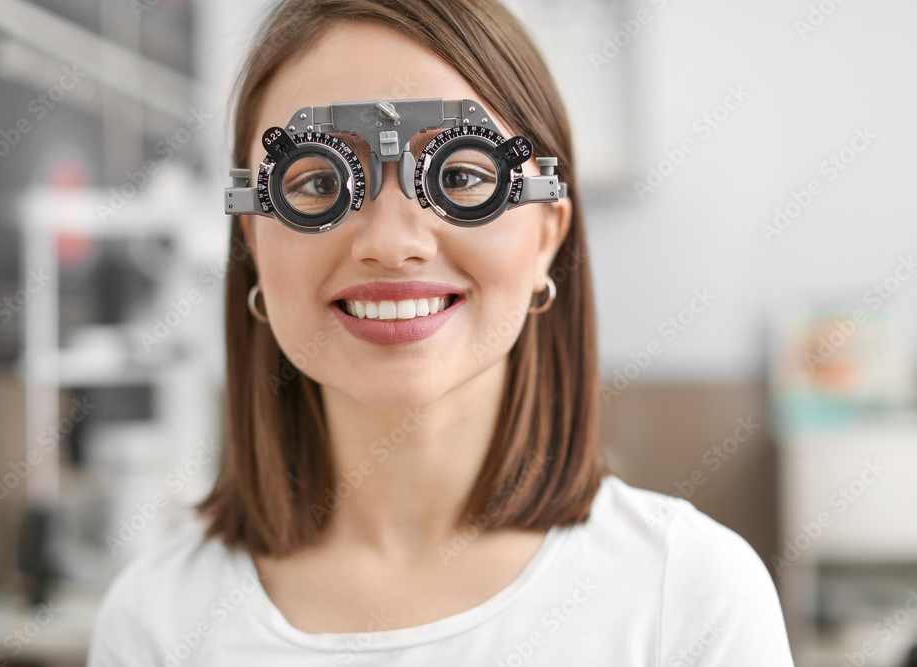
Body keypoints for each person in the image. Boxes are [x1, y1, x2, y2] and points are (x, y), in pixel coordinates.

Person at [87, 0, 795, 664]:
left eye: (458, 175)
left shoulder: (690, 594)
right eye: (317, 183)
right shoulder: (156, 621)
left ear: (548, 232)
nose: (392, 243)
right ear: (253, 239)